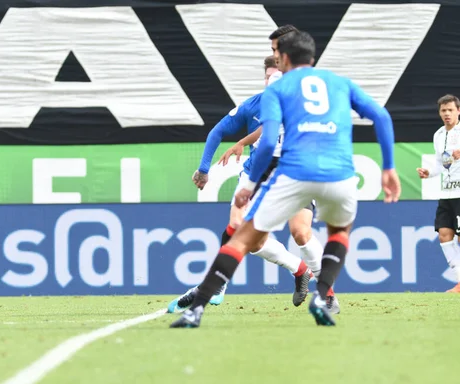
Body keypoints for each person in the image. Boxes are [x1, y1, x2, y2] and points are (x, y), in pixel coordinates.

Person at [170, 30, 400, 329]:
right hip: (340, 173)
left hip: (293, 172)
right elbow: (381, 116)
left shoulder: (277, 90)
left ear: (285, 59)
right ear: (313, 57)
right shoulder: (339, 83)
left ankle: (197, 308)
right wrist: (389, 167)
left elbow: (267, 144)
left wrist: (249, 185)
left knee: (241, 239)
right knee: (339, 232)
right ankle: (323, 295)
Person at [417, 94, 460, 293]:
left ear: (458, 111)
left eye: (450, 110)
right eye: (443, 111)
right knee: (444, 235)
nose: (447, 114)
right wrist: (429, 173)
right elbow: (441, 164)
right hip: (447, 193)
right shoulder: (438, 135)